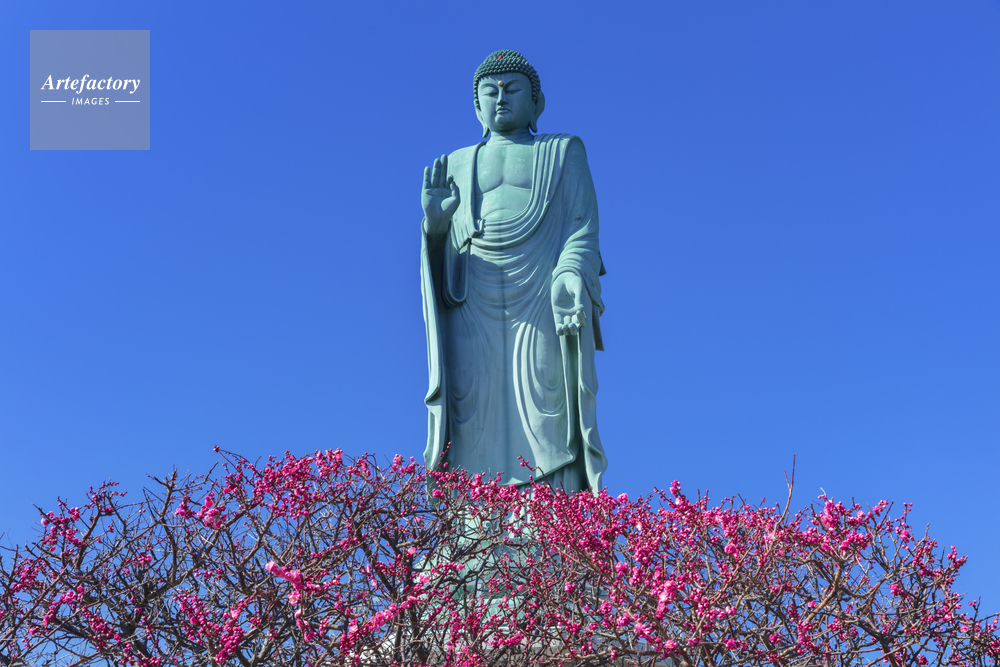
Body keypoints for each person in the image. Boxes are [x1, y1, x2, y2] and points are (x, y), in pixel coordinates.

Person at [420, 50, 607, 492]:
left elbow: (583, 228)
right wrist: (435, 227)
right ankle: (475, 530)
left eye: (512, 89)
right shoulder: (456, 163)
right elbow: (439, 252)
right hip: (471, 304)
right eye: (490, 91)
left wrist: (569, 274)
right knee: (472, 413)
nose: (500, 99)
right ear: (476, 107)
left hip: (541, 297)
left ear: (537, 103)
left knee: (548, 405)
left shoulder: (563, 152)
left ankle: (550, 518)